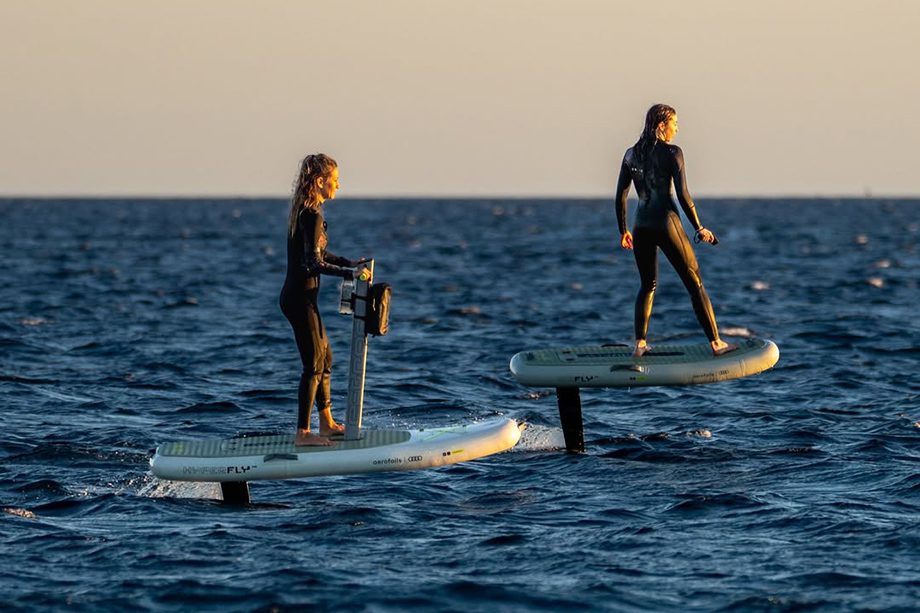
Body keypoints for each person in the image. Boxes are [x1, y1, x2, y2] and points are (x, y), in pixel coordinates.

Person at [614, 104, 736, 358]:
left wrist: (623, 230)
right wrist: (699, 227)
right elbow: (683, 195)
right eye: (675, 124)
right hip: (666, 223)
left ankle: (640, 344)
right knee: (695, 283)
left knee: (647, 285)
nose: (677, 129)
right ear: (662, 125)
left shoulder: (630, 154)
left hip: (641, 226)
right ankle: (716, 343)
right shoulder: (673, 152)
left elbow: (620, 197)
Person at [280, 153, 367, 446]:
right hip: (298, 299)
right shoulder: (310, 215)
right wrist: (349, 274)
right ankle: (303, 433)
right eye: (335, 180)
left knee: (325, 358)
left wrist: (348, 262)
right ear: (320, 182)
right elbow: (313, 264)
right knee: (313, 364)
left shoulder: (307, 213)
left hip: (302, 298)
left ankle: (327, 423)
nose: (338, 185)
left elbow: (319, 254)